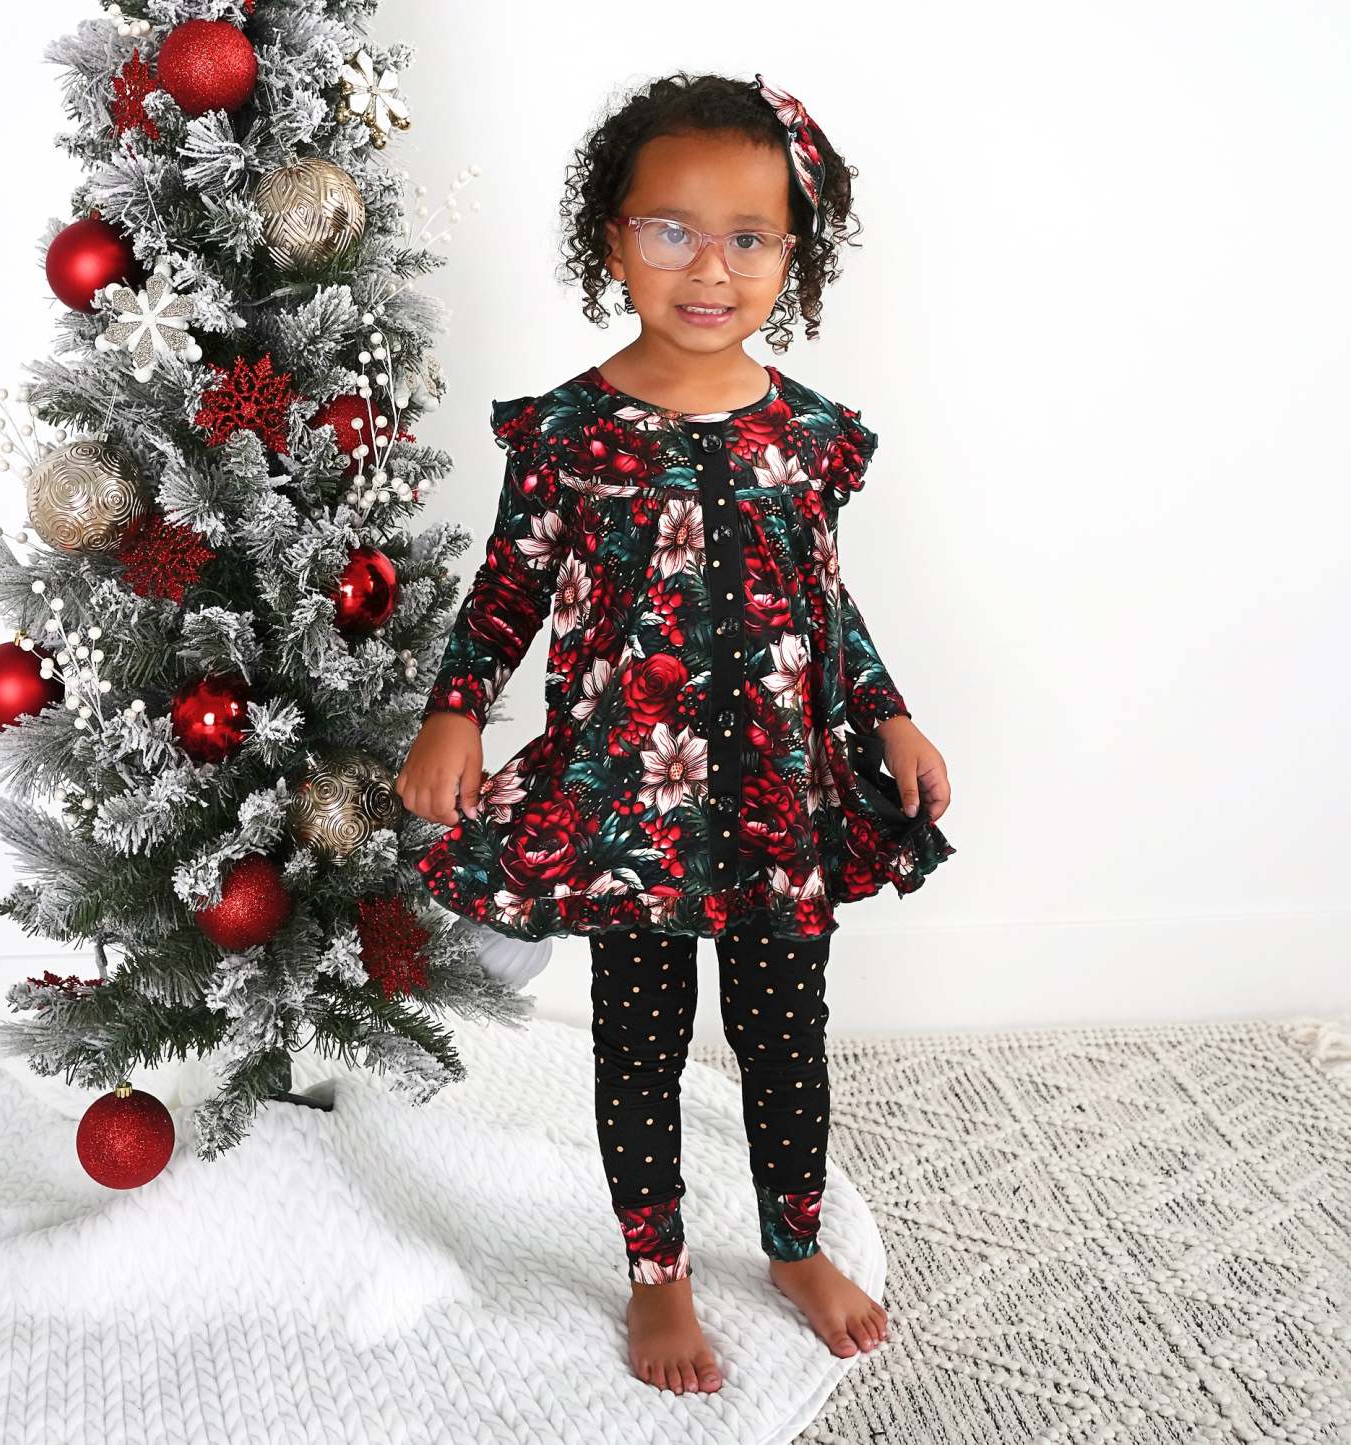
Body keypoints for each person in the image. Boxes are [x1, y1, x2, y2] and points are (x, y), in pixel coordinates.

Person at [394, 71, 955, 1395]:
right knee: (639, 1038)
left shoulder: (807, 437)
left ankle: (793, 1243)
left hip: (777, 796)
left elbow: (822, 602)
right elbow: (508, 590)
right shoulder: (567, 434)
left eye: (748, 238)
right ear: (613, 240)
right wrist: (454, 710)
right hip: (626, 801)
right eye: (672, 231)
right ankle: (657, 1273)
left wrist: (889, 714)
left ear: (792, 256)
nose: (711, 267)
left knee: (785, 1032)